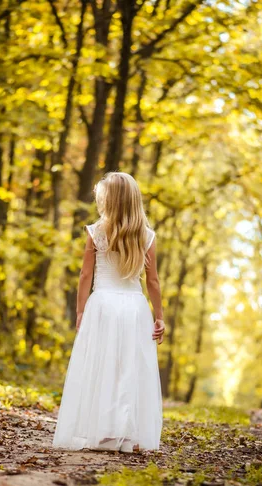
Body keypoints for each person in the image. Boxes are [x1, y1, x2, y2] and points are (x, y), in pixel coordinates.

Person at [52, 172, 164, 453]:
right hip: (135, 308)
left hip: (102, 306)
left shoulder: (96, 232)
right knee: (129, 368)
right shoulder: (146, 236)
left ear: (108, 201)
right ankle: (126, 432)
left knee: (101, 366)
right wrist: (159, 316)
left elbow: (85, 275)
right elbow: (153, 281)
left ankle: (99, 429)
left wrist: (80, 312)